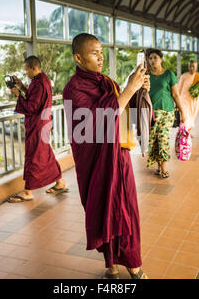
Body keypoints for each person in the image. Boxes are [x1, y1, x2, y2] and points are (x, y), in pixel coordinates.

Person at [63, 33, 148, 279]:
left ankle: (133, 264)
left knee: (127, 208)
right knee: (102, 208)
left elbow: (121, 111)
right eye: (93, 53)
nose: (100, 57)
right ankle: (111, 262)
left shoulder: (107, 81)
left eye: (101, 52)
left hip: (117, 156)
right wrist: (130, 87)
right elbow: (97, 123)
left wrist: (138, 91)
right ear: (78, 58)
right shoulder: (73, 89)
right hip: (95, 162)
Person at [6, 56, 68, 203]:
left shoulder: (39, 83)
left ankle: (28, 191)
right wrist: (22, 87)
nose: (26, 73)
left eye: (26, 69)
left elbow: (31, 106)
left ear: (34, 68)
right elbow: (34, 98)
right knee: (44, 154)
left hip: (38, 125)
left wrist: (17, 95)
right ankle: (60, 182)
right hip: (43, 123)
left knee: (33, 156)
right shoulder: (41, 80)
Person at [146, 49, 186, 179]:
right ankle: (159, 165)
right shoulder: (146, 75)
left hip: (167, 112)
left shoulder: (169, 74)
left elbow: (175, 94)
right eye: (150, 58)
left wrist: (182, 111)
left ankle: (163, 168)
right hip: (151, 113)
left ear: (161, 59)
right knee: (154, 140)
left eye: (155, 58)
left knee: (163, 138)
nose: (152, 60)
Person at [177, 61, 199, 132]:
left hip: (194, 101)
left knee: (191, 117)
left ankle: (188, 131)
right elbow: (179, 89)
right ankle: (184, 131)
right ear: (188, 67)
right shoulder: (183, 76)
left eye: (193, 66)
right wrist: (177, 101)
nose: (191, 68)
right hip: (184, 100)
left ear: (196, 67)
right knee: (184, 116)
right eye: (190, 66)